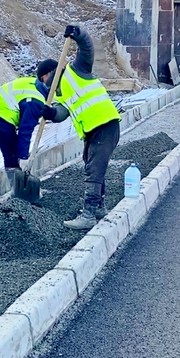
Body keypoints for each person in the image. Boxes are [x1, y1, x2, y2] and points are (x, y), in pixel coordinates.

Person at [56, 25, 121, 230]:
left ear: (49, 74)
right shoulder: (60, 92)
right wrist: (48, 113)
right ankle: (99, 206)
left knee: (94, 169)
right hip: (93, 130)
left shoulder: (77, 70)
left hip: (104, 124)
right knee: (91, 164)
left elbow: (87, 48)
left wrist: (78, 33)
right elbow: (62, 113)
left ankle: (89, 215)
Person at [0, 63, 69, 177]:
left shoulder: (39, 87)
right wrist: (23, 157)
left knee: (15, 149)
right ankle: (15, 182)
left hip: (2, 108)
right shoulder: (34, 101)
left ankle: (18, 176)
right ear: (45, 76)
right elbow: (25, 130)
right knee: (10, 152)